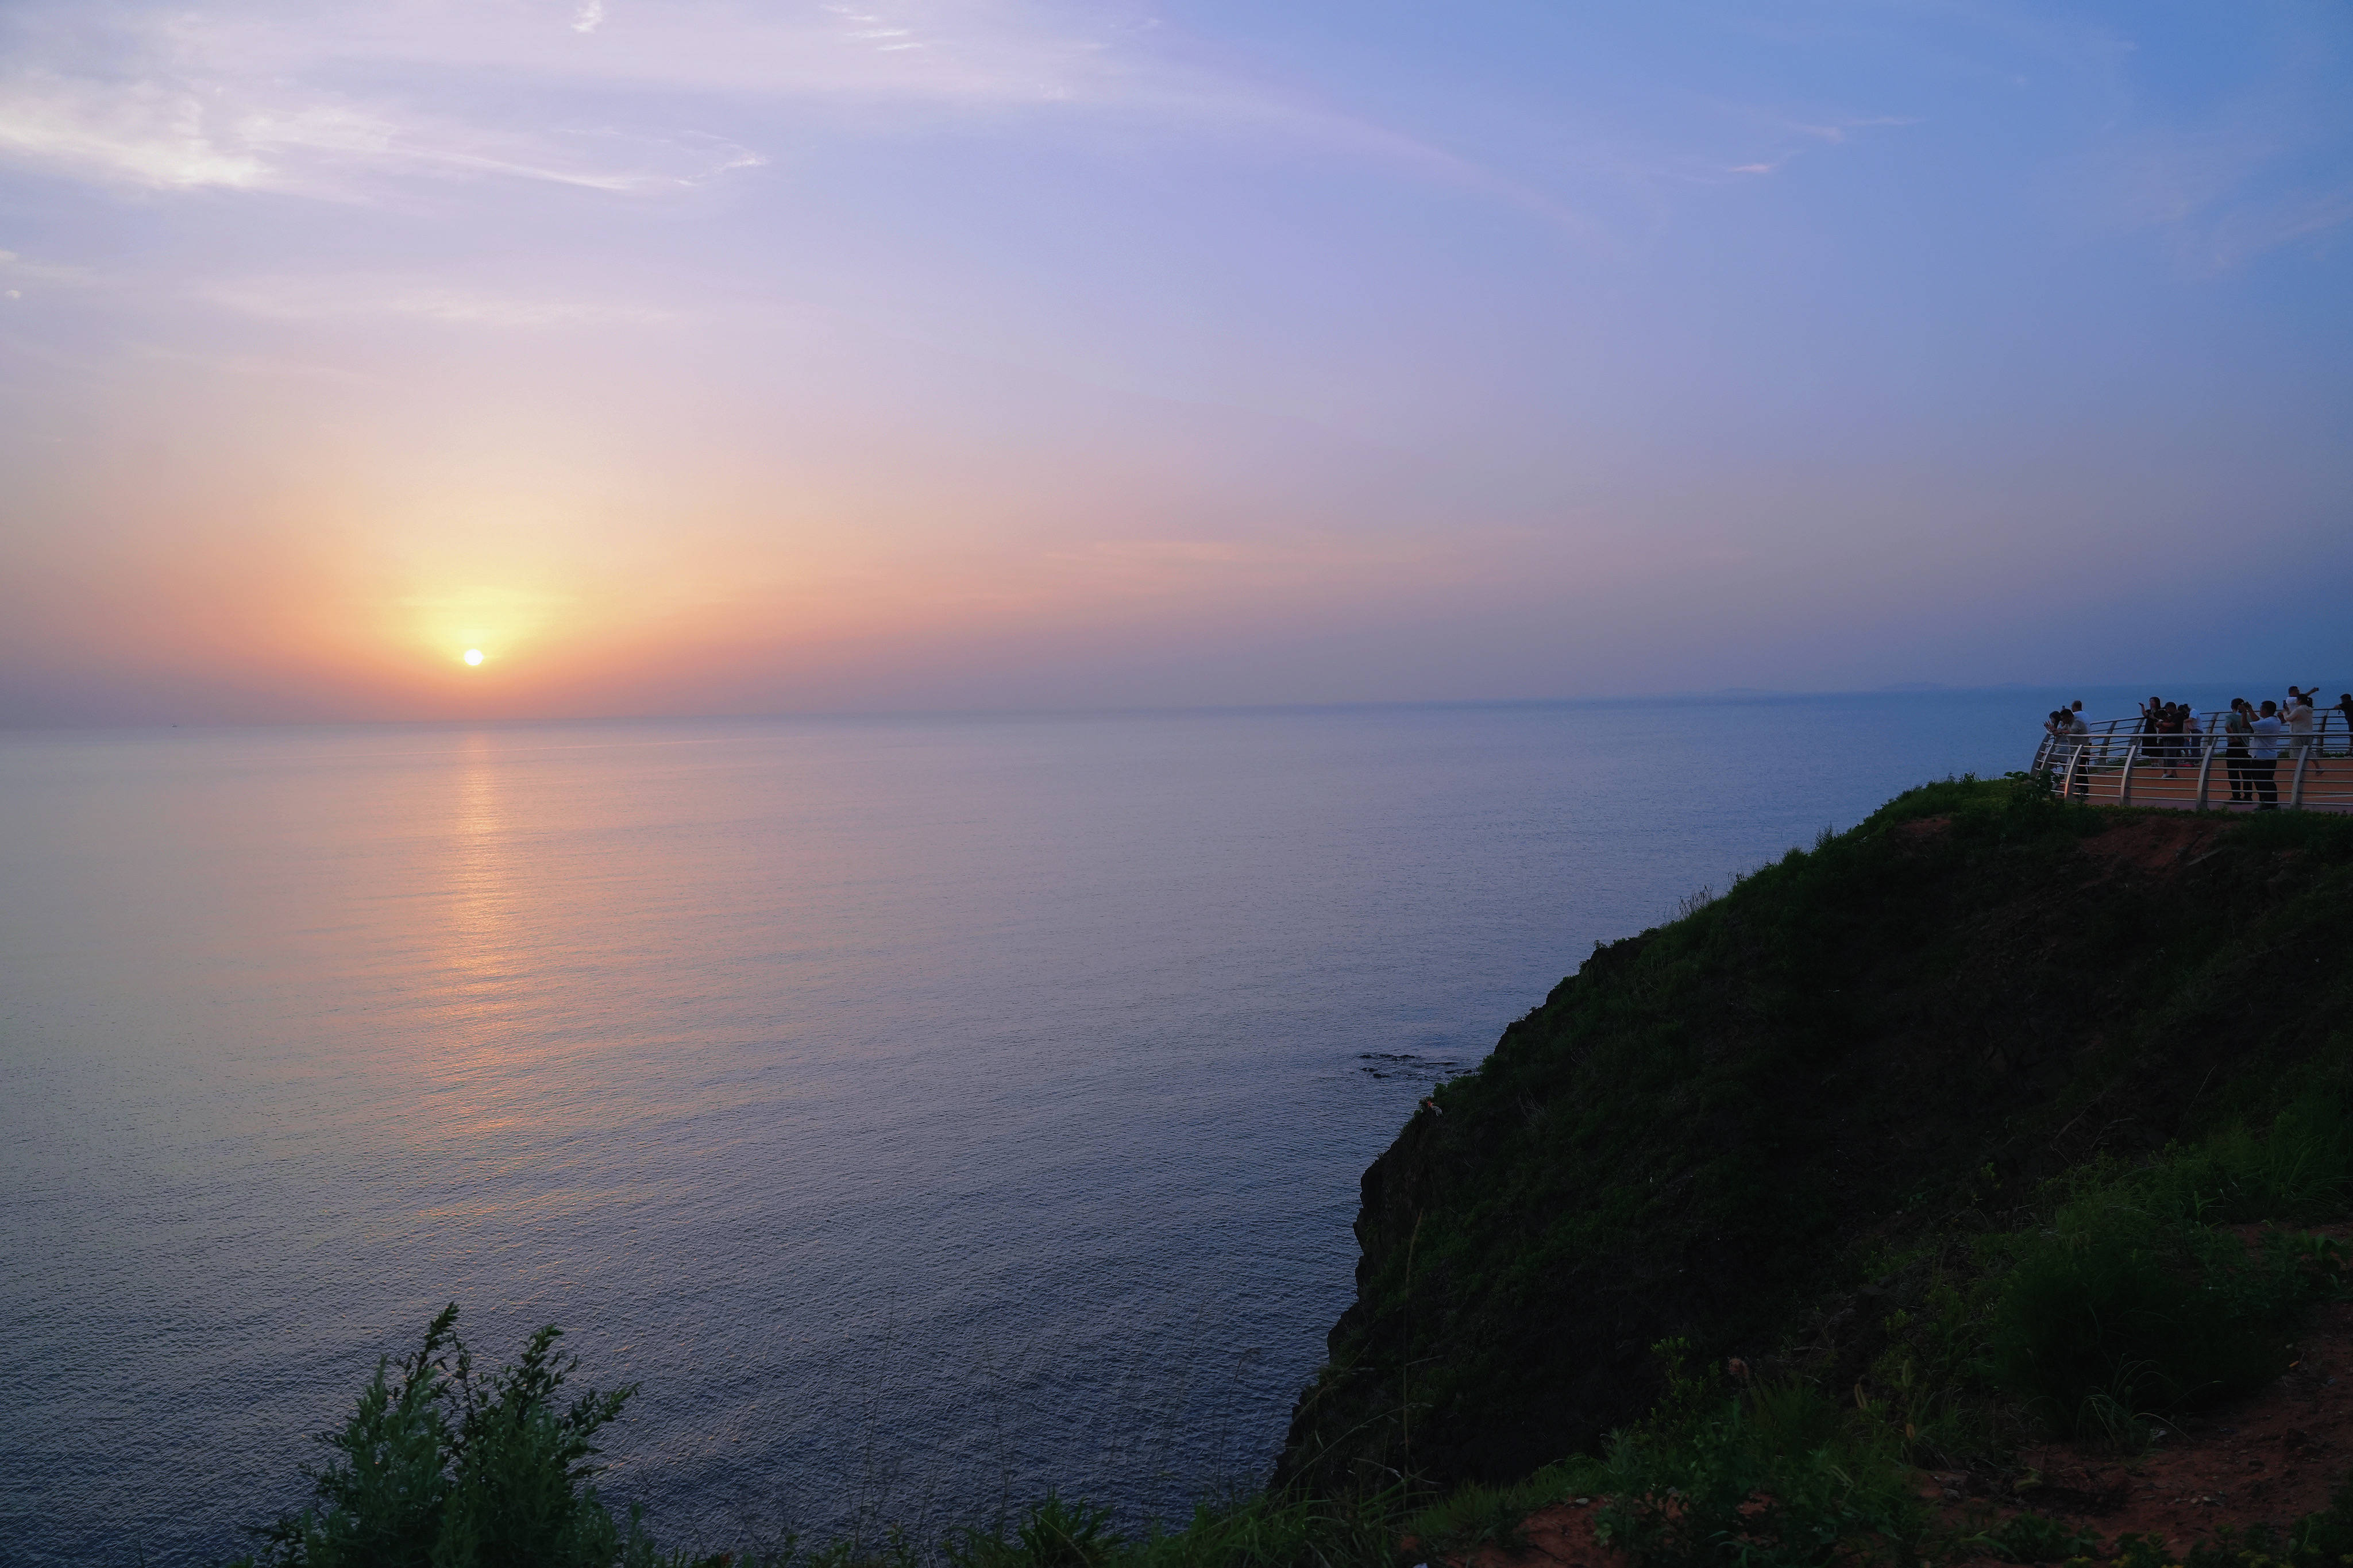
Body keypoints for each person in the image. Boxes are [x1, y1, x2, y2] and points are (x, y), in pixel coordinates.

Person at [2250, 700, 2285, 810]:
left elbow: (2246, 725)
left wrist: (2246, 712)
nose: (2259, 711)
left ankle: (2268, 803)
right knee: (2266, 780)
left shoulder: (2267, 723)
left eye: (2261, 709)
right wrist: (2249, 710)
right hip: (2267, 756)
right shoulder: (2273, 721)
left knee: (2263, 781)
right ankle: (2269, 803)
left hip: (2262, 757)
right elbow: (2257, 722)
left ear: (2265, 710)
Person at [2224, 698, 2253, 804]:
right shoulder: (2248, 717)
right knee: (2246, 773)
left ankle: (2236, 796)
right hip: (2246, 747)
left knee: (2233, 773)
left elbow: (2227, 727)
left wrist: (2234, 737)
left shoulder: (2230, 717)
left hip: (2233, 747)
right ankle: (2248, 796)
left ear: (2232, 706)